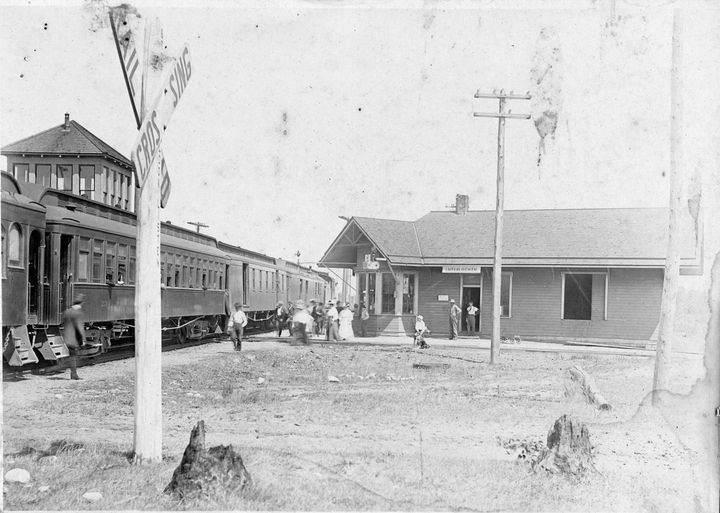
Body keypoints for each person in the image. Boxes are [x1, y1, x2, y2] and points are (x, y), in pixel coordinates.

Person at [62, 294, 85, 380]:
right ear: (81, 304)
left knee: (71, 355)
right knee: (73, 356)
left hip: (67, 336)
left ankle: (73, 373)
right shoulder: (77, 313)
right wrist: (83, 339)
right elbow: (79, 327)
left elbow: (63, 322)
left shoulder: (67, 311)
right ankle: (74, 374)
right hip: (73, 338)